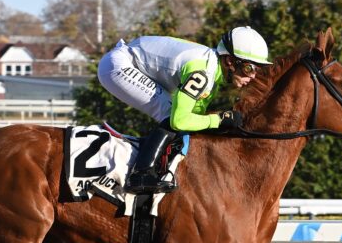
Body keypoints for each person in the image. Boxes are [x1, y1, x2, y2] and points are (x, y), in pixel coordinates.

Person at [97, 26, 272, 193]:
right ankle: (140, 175)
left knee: (181, 117)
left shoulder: (212, 73)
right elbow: (179, 121)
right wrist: (218, 119)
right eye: (249, 68)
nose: (252, 76)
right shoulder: (202, 73)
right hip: (118, 65)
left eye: (257, 70)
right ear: (230, 61)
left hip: (131, 59)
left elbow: (195, 118)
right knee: (170, 113)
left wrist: (217, 123)